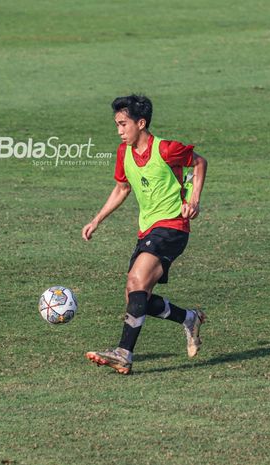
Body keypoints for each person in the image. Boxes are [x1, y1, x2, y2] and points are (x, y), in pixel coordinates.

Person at [82, 94, 208, 374]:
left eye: (123, 124)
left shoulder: (166, 149)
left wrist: (193, 200)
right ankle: (189, 318)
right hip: (147, 229)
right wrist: (97, 220)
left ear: (141, 123)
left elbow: (198, 163)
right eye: (116, 124)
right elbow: (122, 189)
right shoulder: (123, 153)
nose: (119, 131)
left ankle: (123, 354)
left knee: (136, 280)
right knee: (136, 298)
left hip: (173, 227)